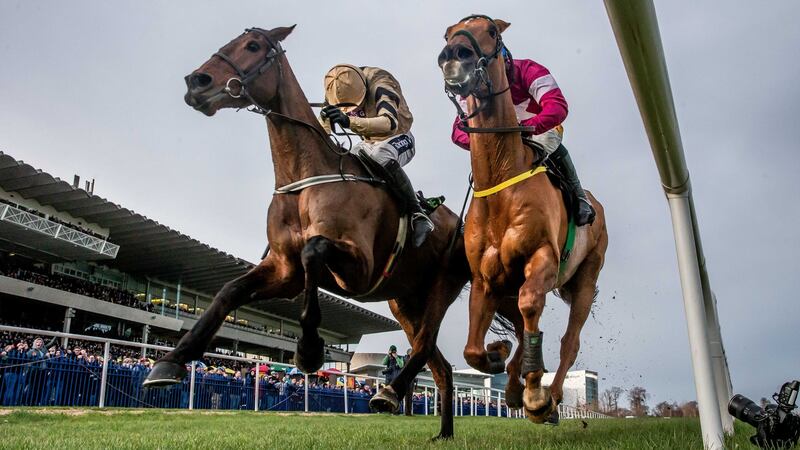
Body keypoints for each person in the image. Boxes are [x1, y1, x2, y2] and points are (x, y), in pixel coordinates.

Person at [450, 55, 596, 226]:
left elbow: (557, 108)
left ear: (504, 60)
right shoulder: (474, 89)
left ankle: (579, 196)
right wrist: (486, 141)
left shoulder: (529, 70)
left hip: (540, 129)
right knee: (484, 163)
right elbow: (457, 133)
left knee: (539, 147)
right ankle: (476, 217)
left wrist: (525, 127)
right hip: (502, 140)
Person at [320, 64, 434, 247]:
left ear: (364, 89)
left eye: (357, 105)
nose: (354, 110)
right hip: (367, 143)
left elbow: (389, 123)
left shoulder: (381, 84)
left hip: (398, 137)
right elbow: (325, 124)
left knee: (380, 156)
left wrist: (348, 120)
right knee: (346, 162)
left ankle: (418, 213)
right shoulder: (336, 86)